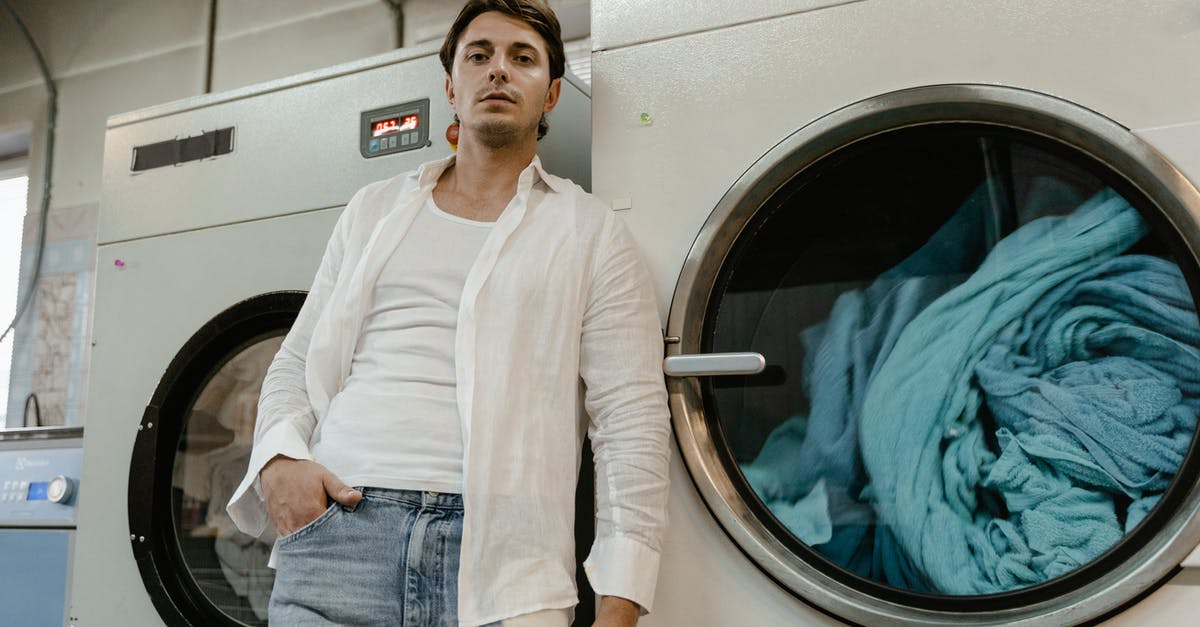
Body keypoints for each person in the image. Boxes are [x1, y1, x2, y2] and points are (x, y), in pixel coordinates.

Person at [225, 1, 671, 625]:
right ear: (451, 88)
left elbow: (630, 424)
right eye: (479, 55)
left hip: (506, 563)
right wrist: (278, 463)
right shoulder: (372, 209)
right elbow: (296, 360)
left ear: (550, 97)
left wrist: (620, 606)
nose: (498, 71)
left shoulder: (590, 231)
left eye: (523, 58)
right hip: (342, 536)